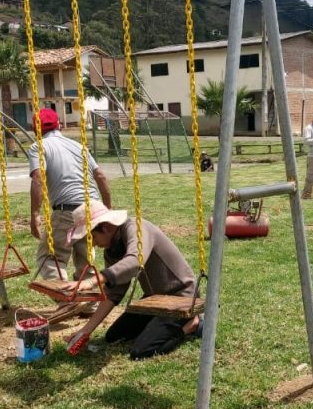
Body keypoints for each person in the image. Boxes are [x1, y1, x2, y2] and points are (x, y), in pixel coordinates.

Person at [63, 200, 202, 359]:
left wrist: (92, 281)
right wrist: (85, 331)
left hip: (181, 297)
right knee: (114, 336)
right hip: (155, 299)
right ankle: (160, 324)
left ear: (106, 227)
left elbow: (134, 260)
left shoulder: (136, 227)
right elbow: (114, 293)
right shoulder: (112, 248)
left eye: (93, 237)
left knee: (140, 351)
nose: (93, 244)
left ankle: (191, 325)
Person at [28, 107, 112, 281]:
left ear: (36, 130)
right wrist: (107, 209)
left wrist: (35, 214)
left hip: (67, 209)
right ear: (59, 125)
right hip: (92, 209)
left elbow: (38, 179)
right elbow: (101, 176)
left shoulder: (39, 146)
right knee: (86, 260)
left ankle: (66, 301)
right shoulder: (79, 146)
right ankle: (89, 304)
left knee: (51, 258)